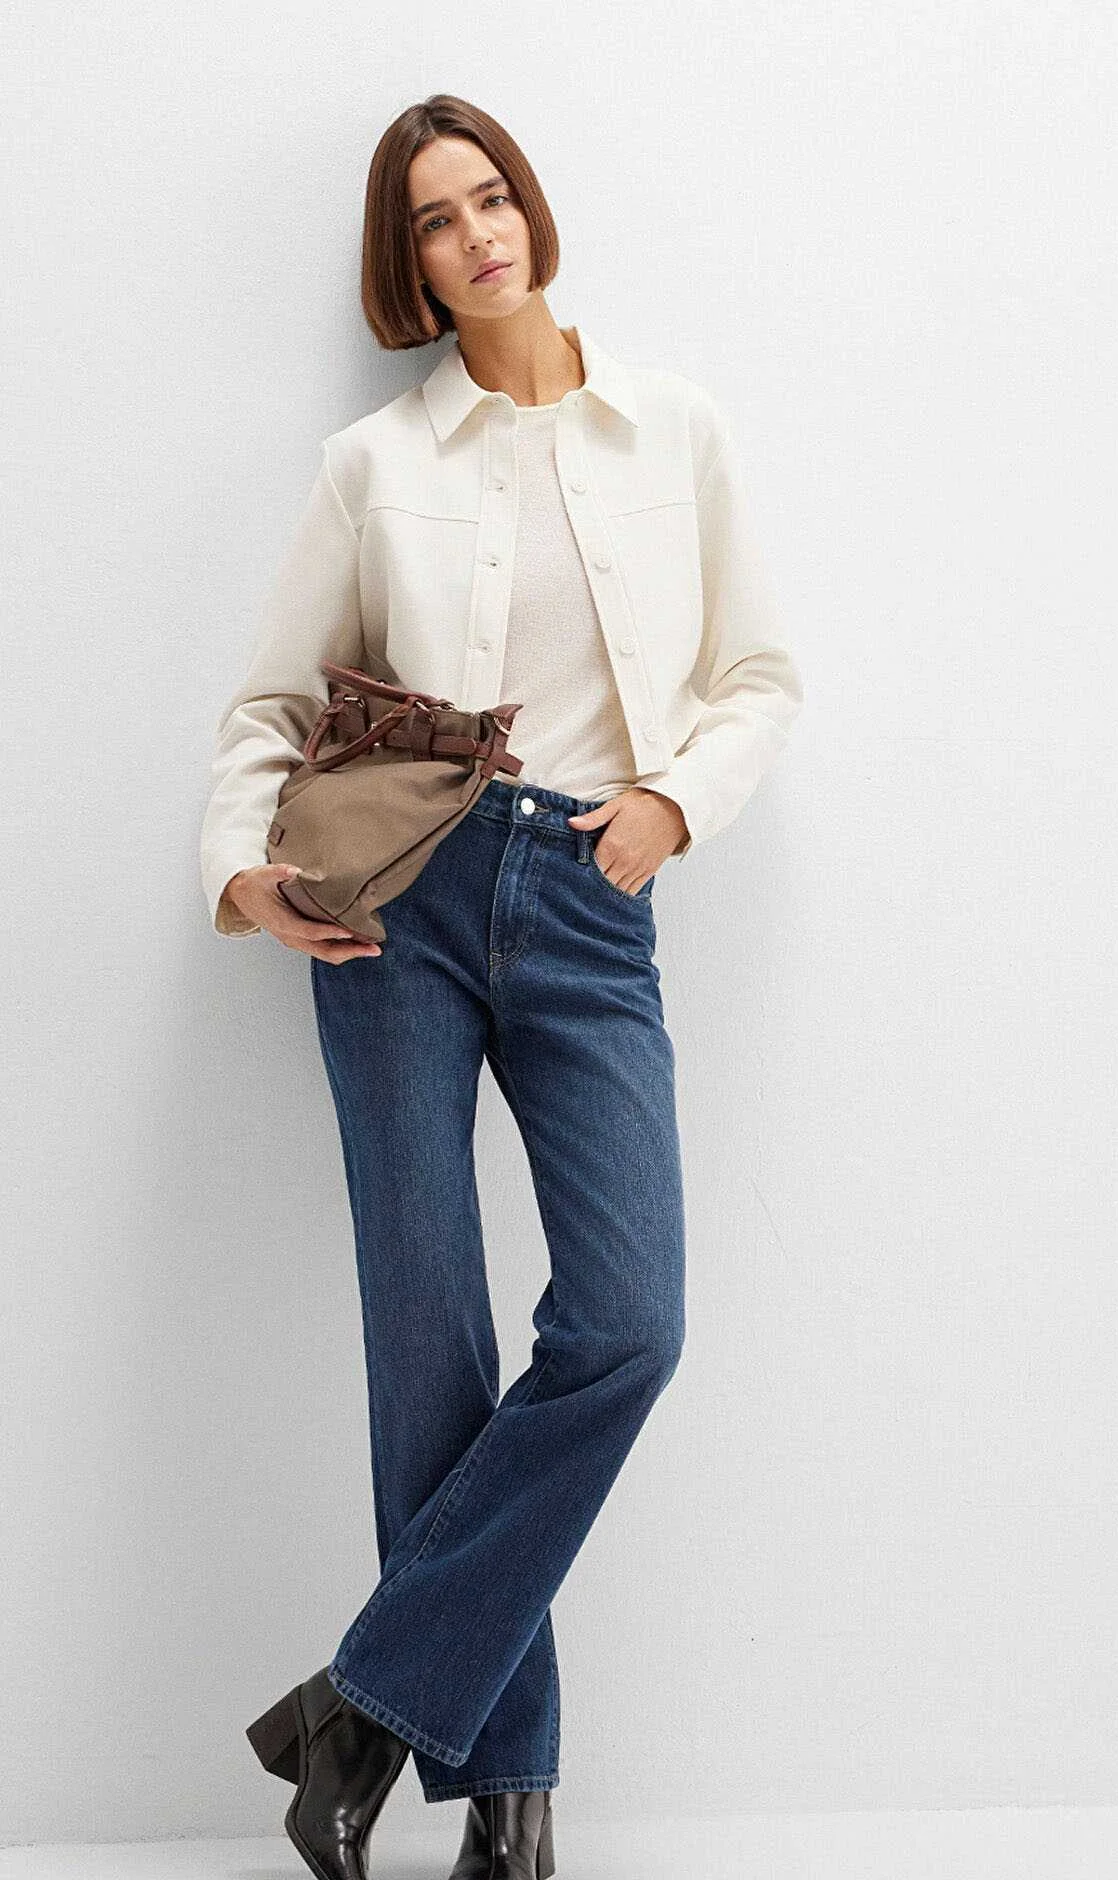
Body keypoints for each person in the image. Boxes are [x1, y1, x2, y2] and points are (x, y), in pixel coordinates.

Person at [204, 93, 803, 1880]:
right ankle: (510, 1813)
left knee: (628, 1324)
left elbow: (757, 675)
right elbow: (271, 706)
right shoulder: (373, 464)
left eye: (490, 199)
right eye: (434, 221)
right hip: (396, 906)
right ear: (405, 266)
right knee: (430, 1340)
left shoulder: (668, 428)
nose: (476, 236)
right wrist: (241, 872)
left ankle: (362, 1707)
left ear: (528, 210)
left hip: (591, 887)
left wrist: (672, 806)